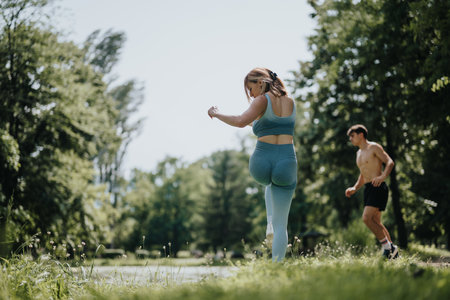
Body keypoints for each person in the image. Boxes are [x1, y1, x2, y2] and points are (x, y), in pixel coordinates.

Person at [208, 67, 297, 262]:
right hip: (287, 161)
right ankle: (277, 263)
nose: (250, 93)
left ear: (261, 82)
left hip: (262, 161)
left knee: (268, 184)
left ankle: (270, 224)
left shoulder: (262, 100)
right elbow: (268, 123)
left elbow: (241, 121)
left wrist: (217, 113)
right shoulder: (290, 102)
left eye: (250, 88)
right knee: (283, 223)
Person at [345, 124, 399, 259]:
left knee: (366, 218)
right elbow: (363, 175)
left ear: (361, 134)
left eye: (352, 136)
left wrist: (382, 177)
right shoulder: (358, 153)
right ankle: (393, 251)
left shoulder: (374, 147)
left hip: (378, 187)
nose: (350, 139)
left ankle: (388, 248)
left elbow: (390, 162)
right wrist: (354, 188)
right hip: (368, 189)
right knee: (376, 221)